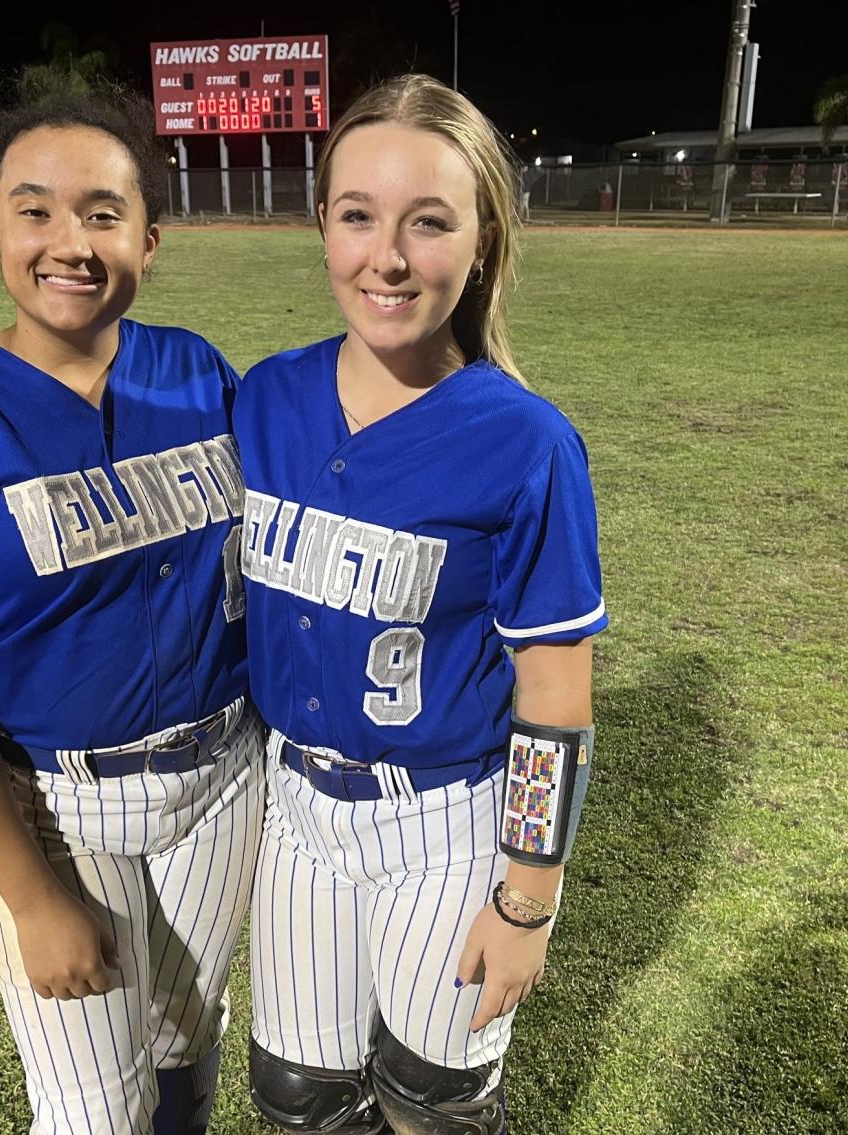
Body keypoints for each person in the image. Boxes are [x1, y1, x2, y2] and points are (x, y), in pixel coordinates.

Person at [0, 88, 264, 1135]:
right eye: (34, 211)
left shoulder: (195, 370)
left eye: (103, 213)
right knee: (89, 1112)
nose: (69, 242)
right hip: (61, 809)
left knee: (184, 1040)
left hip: (222, 782)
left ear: (150, 240)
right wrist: (32, 896)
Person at [234, 74, 608, 1135]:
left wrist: (528, 893)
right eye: (357, 216)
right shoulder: (263, 399)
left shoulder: (525, 441)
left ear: (482, 239)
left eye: (428, 222)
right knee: (299, 1103)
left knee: (430, 1104)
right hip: (297, 814)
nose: (386, 257)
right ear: (321, 225)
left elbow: (555, 690)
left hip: (445, 823)